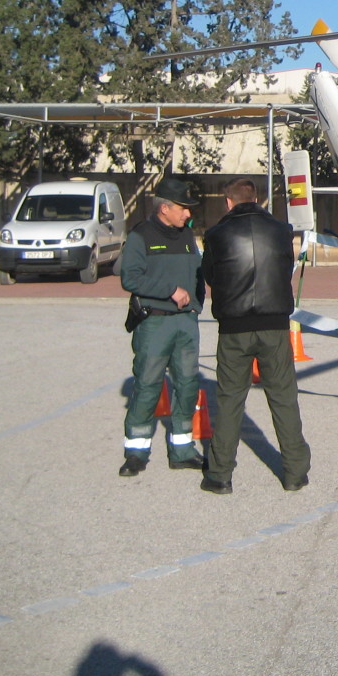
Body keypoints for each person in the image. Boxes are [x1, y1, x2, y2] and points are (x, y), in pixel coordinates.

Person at [199, 176, 310, 494]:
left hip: (233, 328)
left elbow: (209, 275)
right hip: (275, 324)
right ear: (257, 199)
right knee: (284, 398)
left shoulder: (216, 234)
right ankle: (295, 472)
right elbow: (285, 267)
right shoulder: (280, 230)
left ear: (228, 201)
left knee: (230, 400)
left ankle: (220, 474)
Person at [117, 177, 206, 477]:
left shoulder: (187, 236)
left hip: (185, 323)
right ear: (164, 208)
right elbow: (130, 278)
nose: (188, 215)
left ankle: (182, 449)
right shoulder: (140, 236)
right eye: (183, 209)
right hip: (154, 323)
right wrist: (170, 289)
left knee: (188, 385)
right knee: (147, 386)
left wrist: (196, 305)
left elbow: (197, 273)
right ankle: (136, 451)